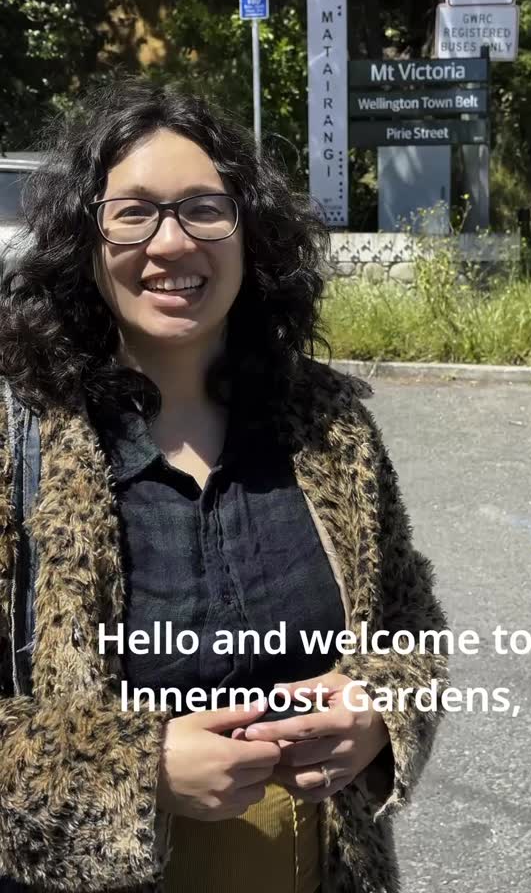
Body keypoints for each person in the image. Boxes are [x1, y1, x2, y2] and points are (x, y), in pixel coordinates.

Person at [0, 80, 449, 893]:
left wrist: (380, 713)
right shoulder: (16, 440)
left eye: (204, 208)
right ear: (83, 241)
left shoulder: (326, 425)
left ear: (250, 232)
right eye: (133, 213)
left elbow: (411, 628)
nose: (172, 244)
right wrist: (133, 771)